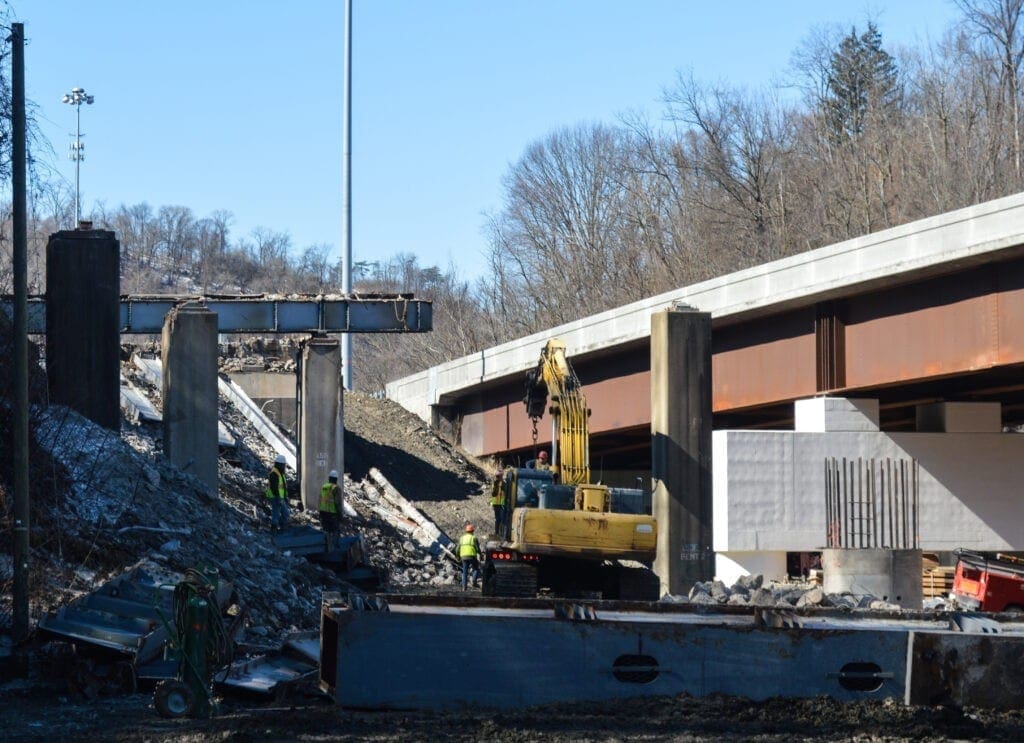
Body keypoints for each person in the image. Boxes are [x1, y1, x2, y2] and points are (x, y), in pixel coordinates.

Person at [319, 469, 343, 551]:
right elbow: (337, 503)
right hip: (332, 513)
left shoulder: (324, 486)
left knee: (326, 530)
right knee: (335, 530)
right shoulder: (336, 488)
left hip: (323, 512)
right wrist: (340, 514)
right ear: (336, 479)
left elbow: (320, 499)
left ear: (329, 478)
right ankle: (335, 548)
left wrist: (320, 511)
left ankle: (326, 547)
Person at [266, 454, 290, 533]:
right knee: (276, 513)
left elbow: (283, 487)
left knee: (285, 513)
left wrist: (285, 496)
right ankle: (274, 530)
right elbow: (274, 487)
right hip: (275, 497)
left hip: (280, 497)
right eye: (283, 465)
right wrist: (278, 497)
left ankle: (282, 528)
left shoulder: (280, 473)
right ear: (280, 464)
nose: (284, 466)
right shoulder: (274, 473)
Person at [458, 523, 482, 590]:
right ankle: (474, 582)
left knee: (465, 572)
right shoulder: (474, 538)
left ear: (466, 531)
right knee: (476, 568)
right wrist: (481, 555)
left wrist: (457, 556)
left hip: (463, 557)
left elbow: (458, 548)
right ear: (472, 531)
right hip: (472, 556)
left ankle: (464, 587)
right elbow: (477, 549)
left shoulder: (462, 538)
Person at [489, 469, 507, 536]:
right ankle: (496, 532)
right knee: (498, 519)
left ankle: (501, 532)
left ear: (501, 476)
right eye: (497, 476)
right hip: (496, 503)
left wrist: (503, 486)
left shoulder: (504, 484)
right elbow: (493, 493)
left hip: (502, 503)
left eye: (498, 476)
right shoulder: (494, 483)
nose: (497, 477)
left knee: (502, 518)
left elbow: (506, 492)